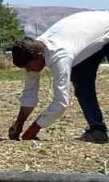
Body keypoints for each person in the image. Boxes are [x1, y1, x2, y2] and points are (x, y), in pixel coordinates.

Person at [7, 10, 109, 144]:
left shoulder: (60, 55)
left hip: (105, 28)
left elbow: (61, 102)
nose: (28, 70)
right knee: (81, 81)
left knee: (79, 78)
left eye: (29, 66)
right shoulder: (32, 51)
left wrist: (33, 129)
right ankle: (98, 130)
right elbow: (29, 94)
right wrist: (19, 123)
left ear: (38, 57)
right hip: (91, 37)